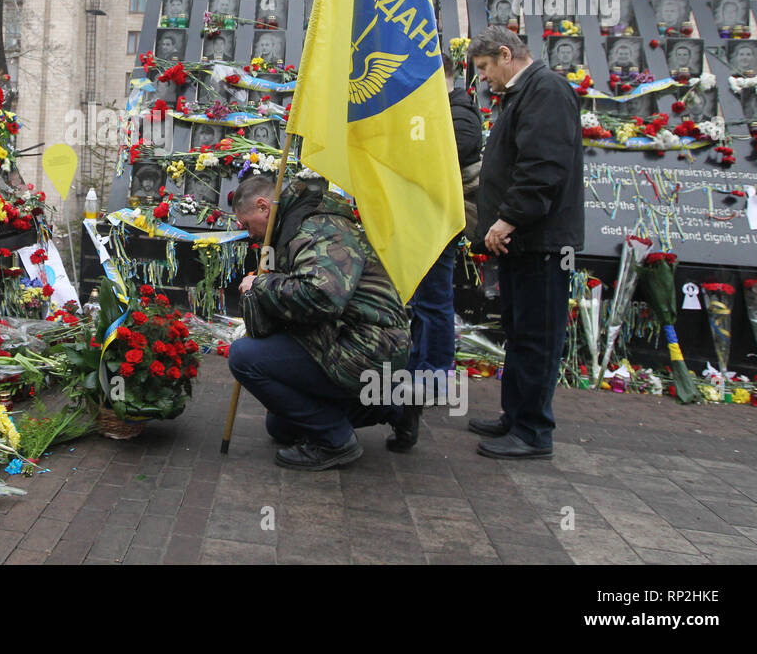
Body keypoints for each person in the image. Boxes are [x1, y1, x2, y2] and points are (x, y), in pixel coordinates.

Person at [227, 175, 415, 469]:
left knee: (244, 357)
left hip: (367, 345)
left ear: (264, 206)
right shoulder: (293, 226)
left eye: (248, 224)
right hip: (344, 336)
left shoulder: (318, 228)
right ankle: (394, 405)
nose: (249, 233)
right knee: (281, 427)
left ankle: (335, 441)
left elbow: (322, 297)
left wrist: (260, 287)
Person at [466, 27, 583, 459]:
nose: (484, 80)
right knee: (519, 332)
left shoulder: (546, 90)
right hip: (523, 242)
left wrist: (509, 218)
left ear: (504, 55)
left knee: (537, 336)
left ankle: (534, 432)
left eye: (484, 69)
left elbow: (542, 166)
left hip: (541, 241)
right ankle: (514, 417)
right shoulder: (525, 92)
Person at [404, 82, 482, 397]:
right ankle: (419, 367)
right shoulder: (448, 110)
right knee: (424, 299)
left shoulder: (460, 114)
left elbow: (444, 156)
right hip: (429, 213)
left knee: (434, 300)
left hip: (442, 216)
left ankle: (435, 375)